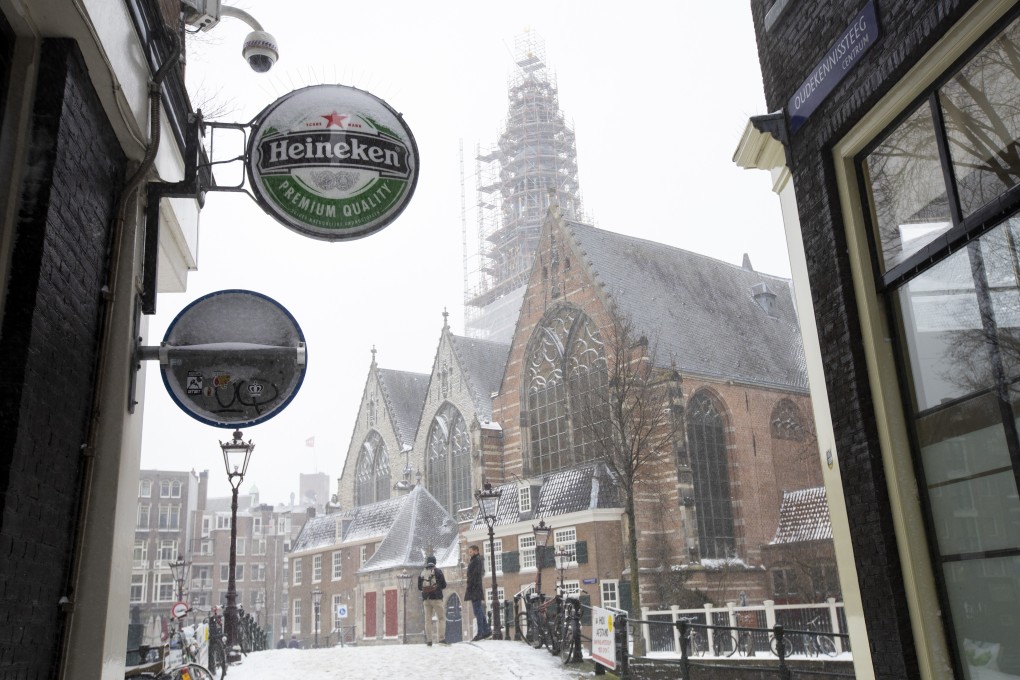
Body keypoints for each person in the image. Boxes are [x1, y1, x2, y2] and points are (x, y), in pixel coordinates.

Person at [418, 555, 448, 646]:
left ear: (427, 562)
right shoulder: (438, 571)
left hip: (426, 599)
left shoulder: (422, 572)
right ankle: (441, 639)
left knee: (428, 620)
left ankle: (429, 640)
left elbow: (419, 587)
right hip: (436, 598)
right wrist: (436, 587)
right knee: (441, 618)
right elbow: (444, 585)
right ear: (435, 562)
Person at [465, 544, 491, 641]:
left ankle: (480, 632)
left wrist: (470, 584)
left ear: (476, 551)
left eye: (471, 552)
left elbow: (475, 575)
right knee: (478, 610)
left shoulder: (477, 560)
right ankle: (486, 630)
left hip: (475, 589)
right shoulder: (475, 560)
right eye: (469, 552)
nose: (469, 553)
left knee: (478, 611)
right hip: (474, 589)